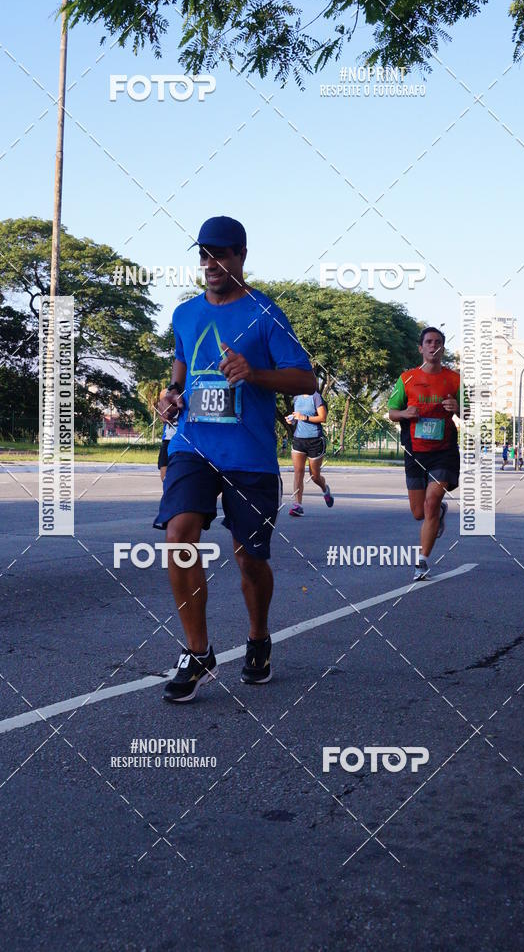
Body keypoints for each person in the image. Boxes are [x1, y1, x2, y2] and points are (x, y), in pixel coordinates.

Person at [154, 216, 316, 702]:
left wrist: (256, 373)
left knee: (249, 559)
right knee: (179, 533)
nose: (211, 263)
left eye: (221, 254)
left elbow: (306, 380)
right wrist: (170, 394)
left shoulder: (266, 313)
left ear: (241, 256)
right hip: (192, 445)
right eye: (204, 254)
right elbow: (181, 368)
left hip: (249, 456)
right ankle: (198, 650)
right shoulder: (184, 314)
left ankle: (259, 638)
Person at [388, 326, 461, 581]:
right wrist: (405, 413)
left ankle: (422, 562)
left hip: (444, 451)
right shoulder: (406, 378)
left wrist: (459, 407)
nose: (433, 346)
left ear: (442, 348)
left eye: (438, 342)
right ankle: (439, 512)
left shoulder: (455, 379)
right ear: (421, 348)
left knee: (430, 503)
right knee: (419, 512)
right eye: (429, 342)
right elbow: (392, 412)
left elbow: (472, 414)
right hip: (415, 451)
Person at [286, 390, 334, 516]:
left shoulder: (316, 397)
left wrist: (305, 417)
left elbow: (323, 418)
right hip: (299, 439)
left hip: (315, 440)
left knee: (314, 476)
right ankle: (298, 505)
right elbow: (298, 418)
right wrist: (292, 420)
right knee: (298, 472)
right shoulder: (296, 397)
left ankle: (325, 489)